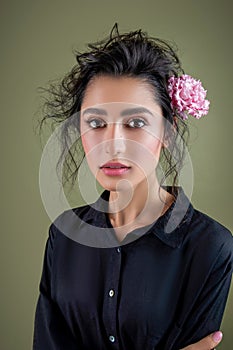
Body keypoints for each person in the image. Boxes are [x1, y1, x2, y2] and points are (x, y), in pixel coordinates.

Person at [33, 24, 233, 349]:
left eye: (135, 123)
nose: (113, 145)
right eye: (96, 123)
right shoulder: (64, 234)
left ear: (168, 132)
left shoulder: (210, 246)